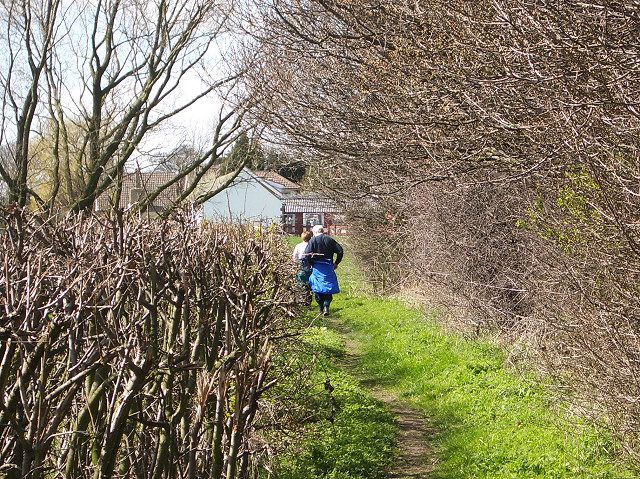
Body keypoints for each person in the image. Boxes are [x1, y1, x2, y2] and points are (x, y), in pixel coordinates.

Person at [304, 224, 343, 316]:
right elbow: (340, 251)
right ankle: (326, 306)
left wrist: (310, 263)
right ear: (323, 231)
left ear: (314, 232)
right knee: (328, 287)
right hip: (328, 267)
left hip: (317, 267)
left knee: (317, 287)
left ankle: (321, 308)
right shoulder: (329, 239)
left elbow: (307, 254)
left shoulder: (312, 240)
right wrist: (336, 263)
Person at [292, 231, 313, 304]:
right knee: (310, 283)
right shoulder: (312, 245)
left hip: (301, 264)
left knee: (301, 282)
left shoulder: (298, 245)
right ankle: (309, 299)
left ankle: (302, 298)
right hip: (310, 265)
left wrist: (295, 264)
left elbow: (294, 256)